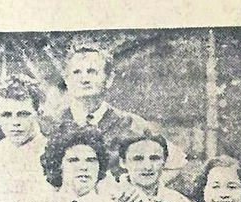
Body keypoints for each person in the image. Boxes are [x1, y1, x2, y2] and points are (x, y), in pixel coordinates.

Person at [46, 41, 186, 179]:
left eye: (92, 72)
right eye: (77, 72)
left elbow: (177, 161)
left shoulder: (131, 124)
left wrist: (141, 188)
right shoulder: (52, 125)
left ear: (109, 79)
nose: (84, 79)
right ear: (67, 80)